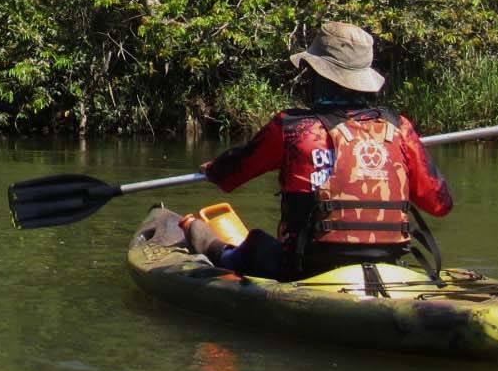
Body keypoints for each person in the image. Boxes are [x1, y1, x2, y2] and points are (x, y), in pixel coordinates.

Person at [183, 22, 452, 280]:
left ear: (318, 74)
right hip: (388, 261)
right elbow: (440, 205)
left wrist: (214, 169)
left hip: (305, 268)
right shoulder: (399, 128)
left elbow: (230, 176)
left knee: (255, 244)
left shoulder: (292, 128)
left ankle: (206, 241)